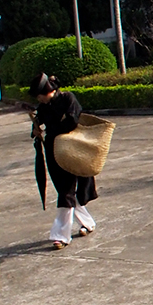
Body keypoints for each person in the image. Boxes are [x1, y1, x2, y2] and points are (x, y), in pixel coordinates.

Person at [31, 73, 98, 248]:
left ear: (47, 90)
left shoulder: (68, 98)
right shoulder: (43, 107)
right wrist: (36, 130)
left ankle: (61, 235)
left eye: (40, 95)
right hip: (54, 152)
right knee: (65, 191)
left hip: (72, 150)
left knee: (69, 192)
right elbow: (39, 124)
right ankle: (87, 223)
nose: (39, 99)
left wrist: (56, 131)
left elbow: (72, 121)